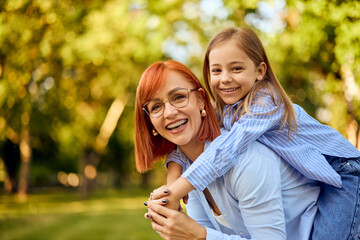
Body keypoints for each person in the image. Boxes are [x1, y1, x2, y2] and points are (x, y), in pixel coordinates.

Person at [150, 27, 360, 240]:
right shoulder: (221, 108)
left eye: (236, 69)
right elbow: (187, 143)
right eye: (216, 71)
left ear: (260, 71)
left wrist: (178, 189)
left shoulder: (267, 102)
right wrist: (172, 180)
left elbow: (226, 150)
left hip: (345, 170)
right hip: (318, 175)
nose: (225, 79)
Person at [135, 59, 320, 239]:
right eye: (156, 106)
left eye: (179, 97)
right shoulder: (189, 171)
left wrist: (199, 235)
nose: (169, 112)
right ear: (149, 119)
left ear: (200, 100)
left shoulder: (248, 159)